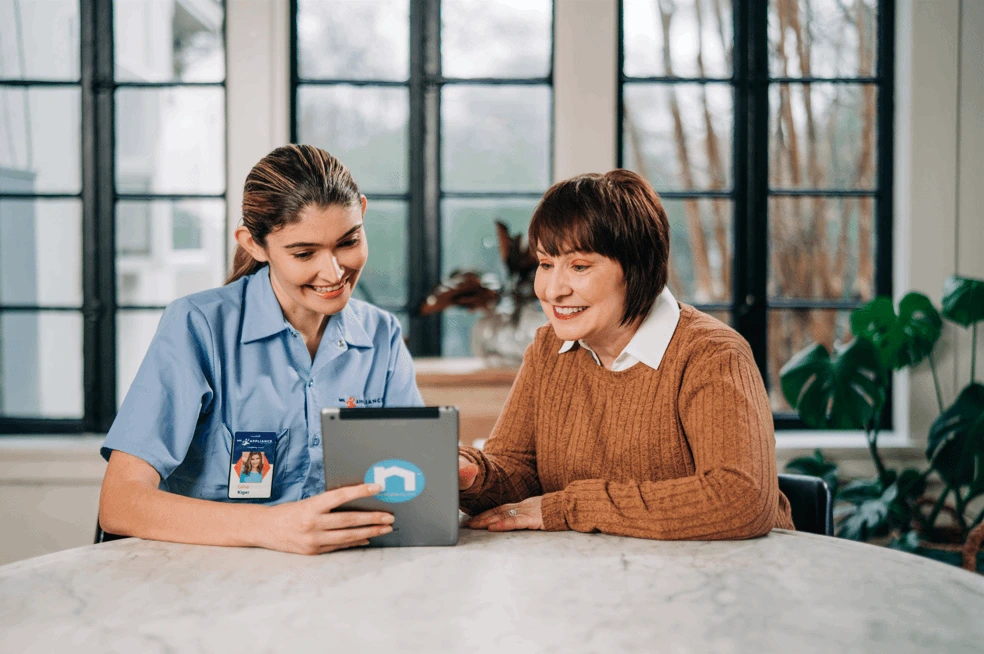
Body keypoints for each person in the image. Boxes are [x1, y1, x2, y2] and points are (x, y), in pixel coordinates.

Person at [99, 144, 423, 555]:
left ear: (361, 211)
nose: (334, 272)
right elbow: (120, 503)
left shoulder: (382, 335)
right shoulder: (198, 326)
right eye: (304, 253)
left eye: (348, 241)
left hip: (344, 579)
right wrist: (272, 527)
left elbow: (410, 485)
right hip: (208, 583)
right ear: (254, 244)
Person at [456, 170, 795, 539]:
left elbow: (740, 499)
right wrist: (470, 476)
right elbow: (516, 474)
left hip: (727, 581)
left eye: (579, 266)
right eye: (545, 264)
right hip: (600, 577)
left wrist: (569, 507)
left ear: (637, 268)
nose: (553, 290)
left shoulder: (712, 354)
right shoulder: (547, 350)